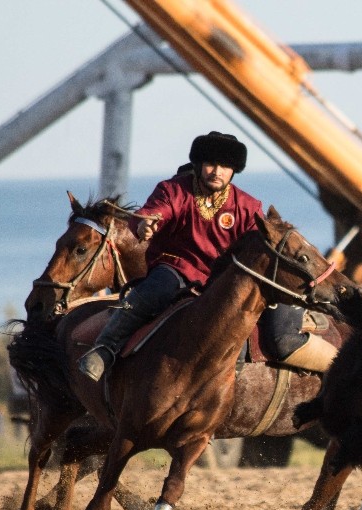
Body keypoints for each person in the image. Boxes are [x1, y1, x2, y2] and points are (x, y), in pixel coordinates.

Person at [78, 131, 333, 381]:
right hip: (177, 268)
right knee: (154, 290)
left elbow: (261, 244)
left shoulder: (247, 205)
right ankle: (105, 349)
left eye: (225, 166)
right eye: (211, 164)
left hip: (224, 278)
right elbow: (153, 213)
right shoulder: (173, 190)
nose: (217, 171)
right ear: (199, 164)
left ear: (234, 170)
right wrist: (145, 225)